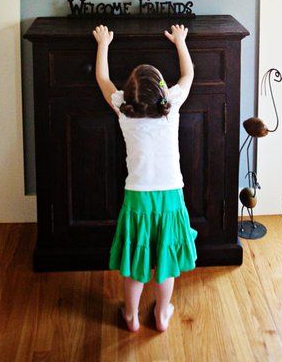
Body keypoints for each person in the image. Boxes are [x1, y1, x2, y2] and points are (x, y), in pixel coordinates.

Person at [92, 23, 197, 333]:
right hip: (170, 195)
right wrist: (180, 41)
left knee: (136, 260)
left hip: (137, 196)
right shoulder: (173, 106)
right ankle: (162, 314)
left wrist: (103, 43)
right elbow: (188, 75)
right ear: (163, 91)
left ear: (129, 94)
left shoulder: (123, 110)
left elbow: (102, 78)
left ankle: (131, 316)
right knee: (166, 259)